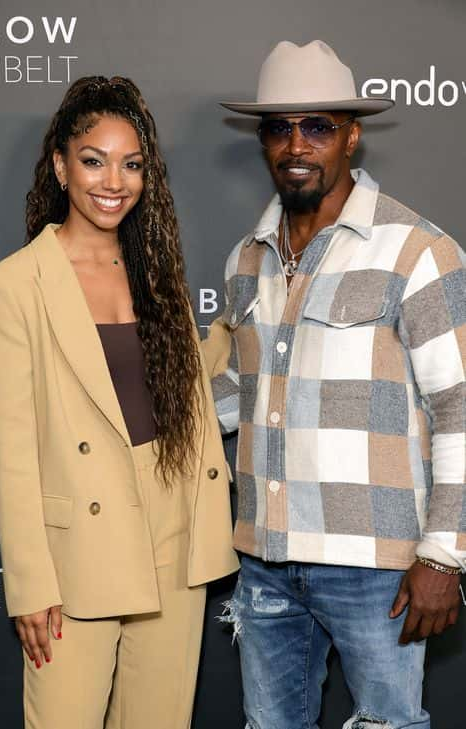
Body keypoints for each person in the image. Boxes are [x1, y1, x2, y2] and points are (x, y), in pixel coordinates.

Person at [203, 40, 466, 729]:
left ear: (352, 135)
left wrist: (444, 554)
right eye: (280, 127)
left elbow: (458, 407)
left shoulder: (417, 249)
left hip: (377, 566)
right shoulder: (245, 258)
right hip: (264, 559)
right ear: (262, 139)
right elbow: (241, 387)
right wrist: (152, 413)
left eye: (318, 125)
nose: (298, 144)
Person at [0, 75, 239, 729]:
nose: (112, 182)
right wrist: (31, 586)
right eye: (94, 160)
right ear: (61, 164)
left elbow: (174, 378)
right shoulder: (13, 286)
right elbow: (13, 455)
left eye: (131, 164)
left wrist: (242, 329)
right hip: (77, 553)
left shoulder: (156, 274)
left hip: (173, 528)